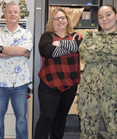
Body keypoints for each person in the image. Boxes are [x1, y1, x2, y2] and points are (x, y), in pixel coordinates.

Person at [78, 4, 117, 139]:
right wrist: (113, 48)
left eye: (108, 14)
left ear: (116, 16)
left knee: (116, 133)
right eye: (100, 16)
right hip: (89, 93)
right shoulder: (90, 36)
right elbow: (85, 54)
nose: (104, 19)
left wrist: (96, 49)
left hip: (115, 95)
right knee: (87, 133)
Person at [34, 8, 82, 139]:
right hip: (49, 85)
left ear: (67, 20)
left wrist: (59, 44)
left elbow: (80, 47)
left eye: (63, 18)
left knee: (61, 119)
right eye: (56, 18)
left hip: (70, 86)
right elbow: (46, 51)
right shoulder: (46, 36)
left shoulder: (77, 35)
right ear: (52, 22)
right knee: (46, 119)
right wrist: (71, 47)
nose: (60, 21)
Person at [0, 1, 32, 139]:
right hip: (0, 83)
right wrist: (18, 51)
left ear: (19, 15)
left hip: (20, 84)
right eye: (9, 12)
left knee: (21, 120)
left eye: (15, 12)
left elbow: (22, 50)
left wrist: (2, 48)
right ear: (5, 15)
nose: (12, 14)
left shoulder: (26, 33)